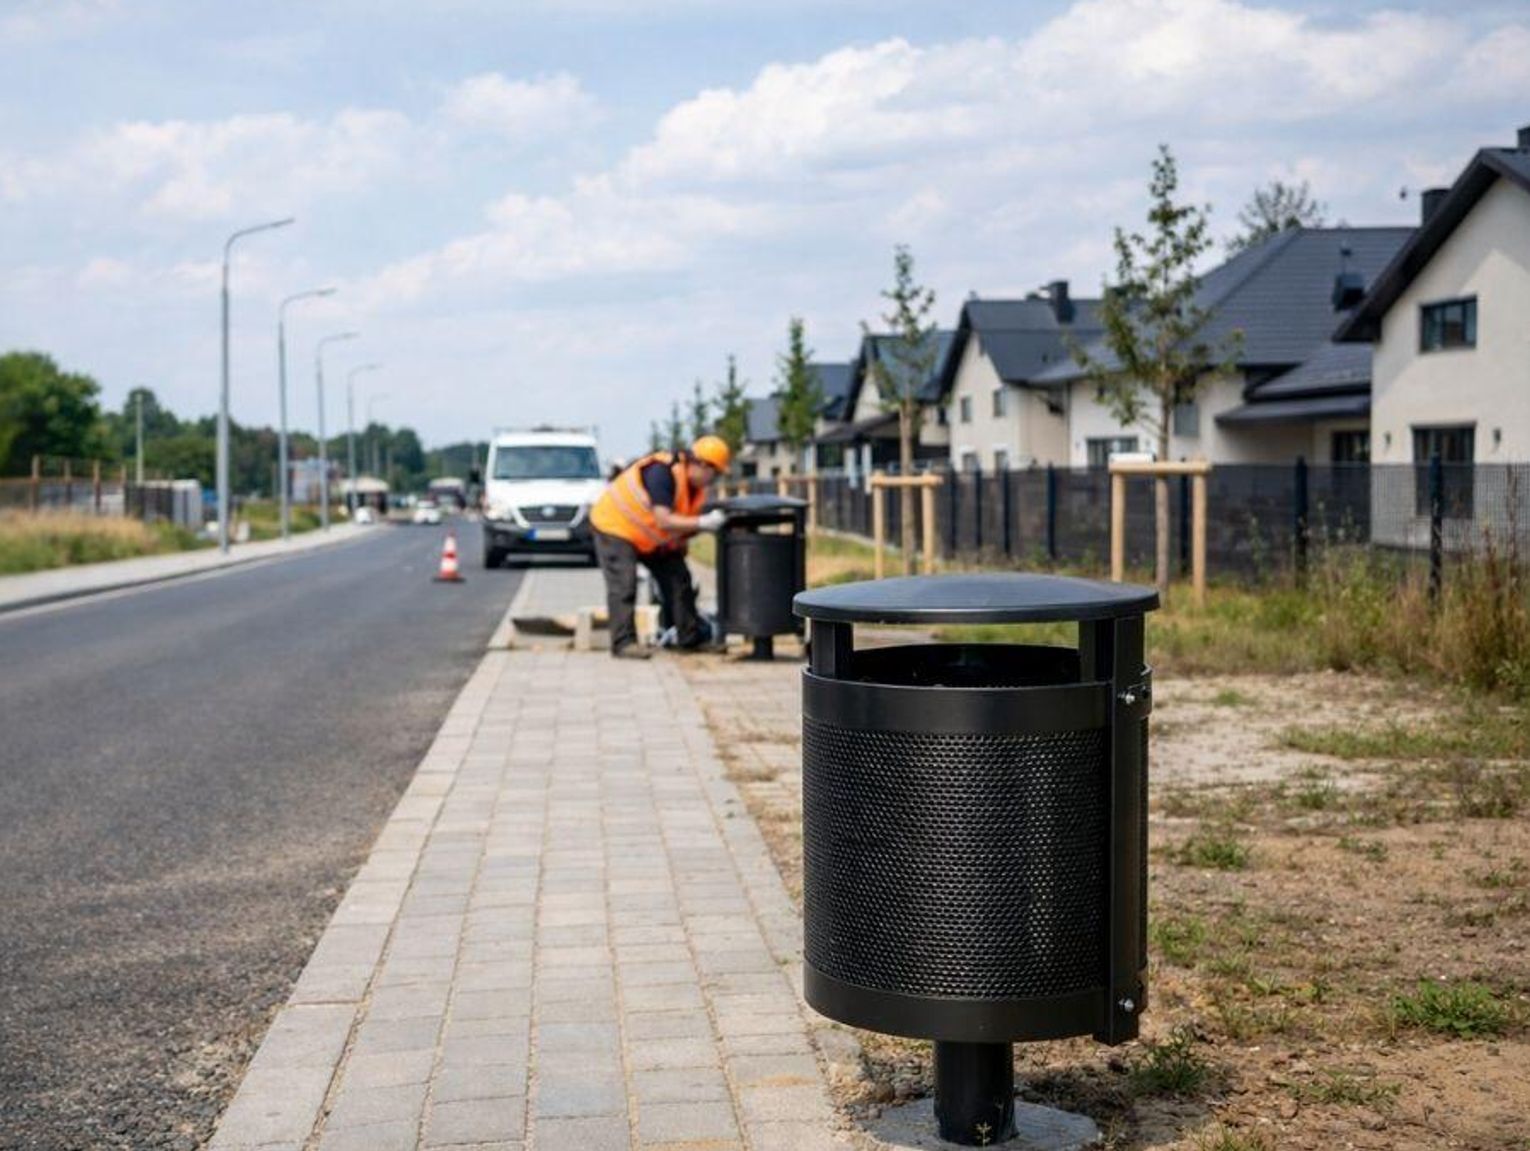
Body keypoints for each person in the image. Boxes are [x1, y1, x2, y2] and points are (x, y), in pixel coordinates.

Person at [589, 435, 731, 659]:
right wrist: (704, 523)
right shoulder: (662, 473)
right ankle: (623, 643)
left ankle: (689, 639)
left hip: (646, 535)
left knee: (678, 577)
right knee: (624, 583)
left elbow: (677, 524)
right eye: (715, 474)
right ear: (703, 465)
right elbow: (664, 520)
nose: (713, 481)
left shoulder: (694, 489)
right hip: (614, 525)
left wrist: (683, 541)